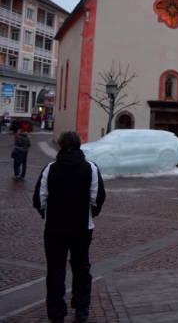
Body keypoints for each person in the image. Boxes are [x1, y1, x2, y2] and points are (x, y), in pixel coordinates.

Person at [33, 131, 106, 323]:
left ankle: (56, 313)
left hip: (54, 228)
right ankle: (81, 309)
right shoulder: (90, 168)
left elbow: (39, 199)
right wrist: (91, 213)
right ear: (79, 145)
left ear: (61, 145)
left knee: (55, 269)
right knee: (81, 266)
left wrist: (46, 214)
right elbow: (97, 197)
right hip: (82, 226)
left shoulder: (50, 168)